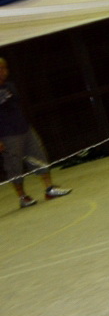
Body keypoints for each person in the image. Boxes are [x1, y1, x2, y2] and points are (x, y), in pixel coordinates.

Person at [0, 57, 71, 208]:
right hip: (7, 135)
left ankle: (49, 188)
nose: (4, 72)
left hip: (25, 129)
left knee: (39, 156)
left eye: (5, 69)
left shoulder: (10, 86)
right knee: (14, 166)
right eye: (0, 69)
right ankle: (22, 196)